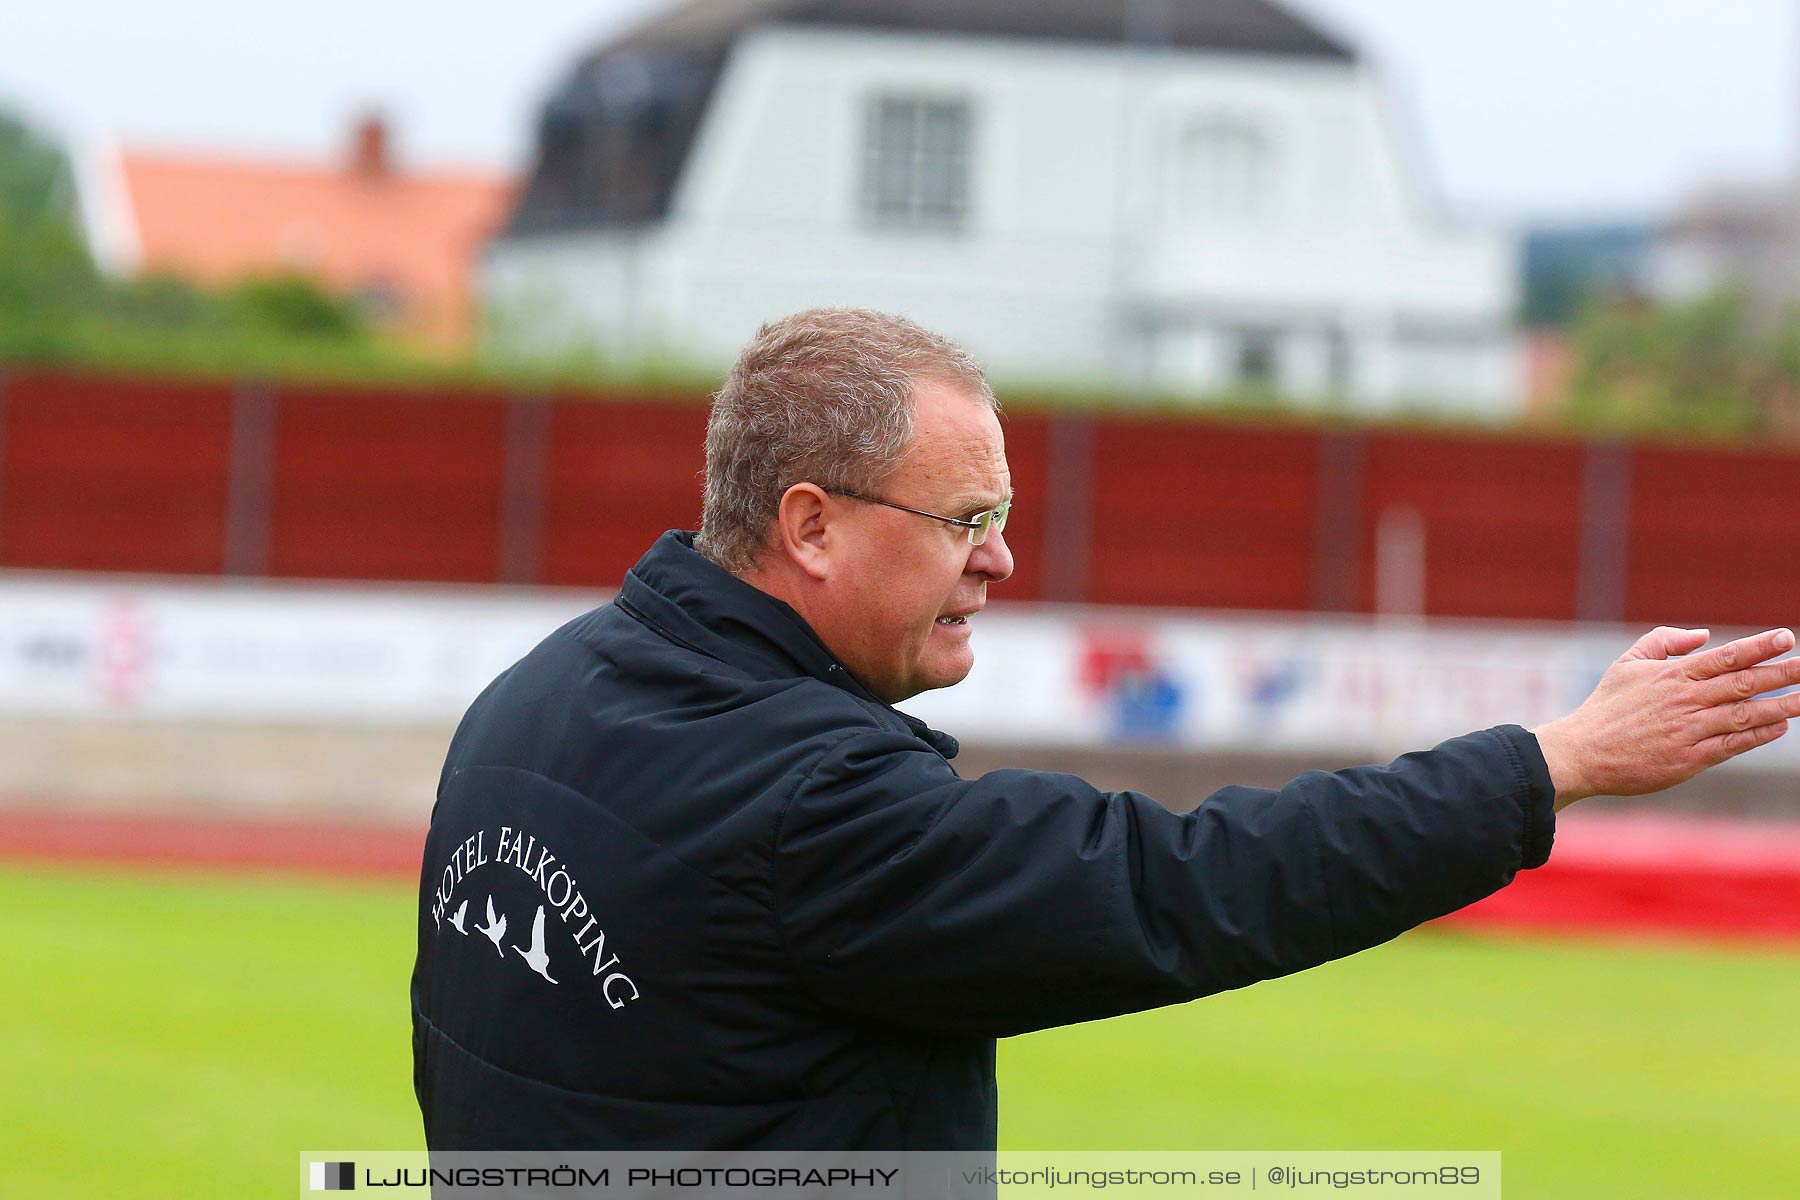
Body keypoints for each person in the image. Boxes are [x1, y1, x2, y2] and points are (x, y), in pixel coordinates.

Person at [411, 308, 1800, 1151]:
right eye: (965, 521)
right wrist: (1555, 762)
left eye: (999, 520)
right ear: (811, 525)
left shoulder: (537, 692)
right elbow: (1196, 885)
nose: (1000, 560)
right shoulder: (813, 805)